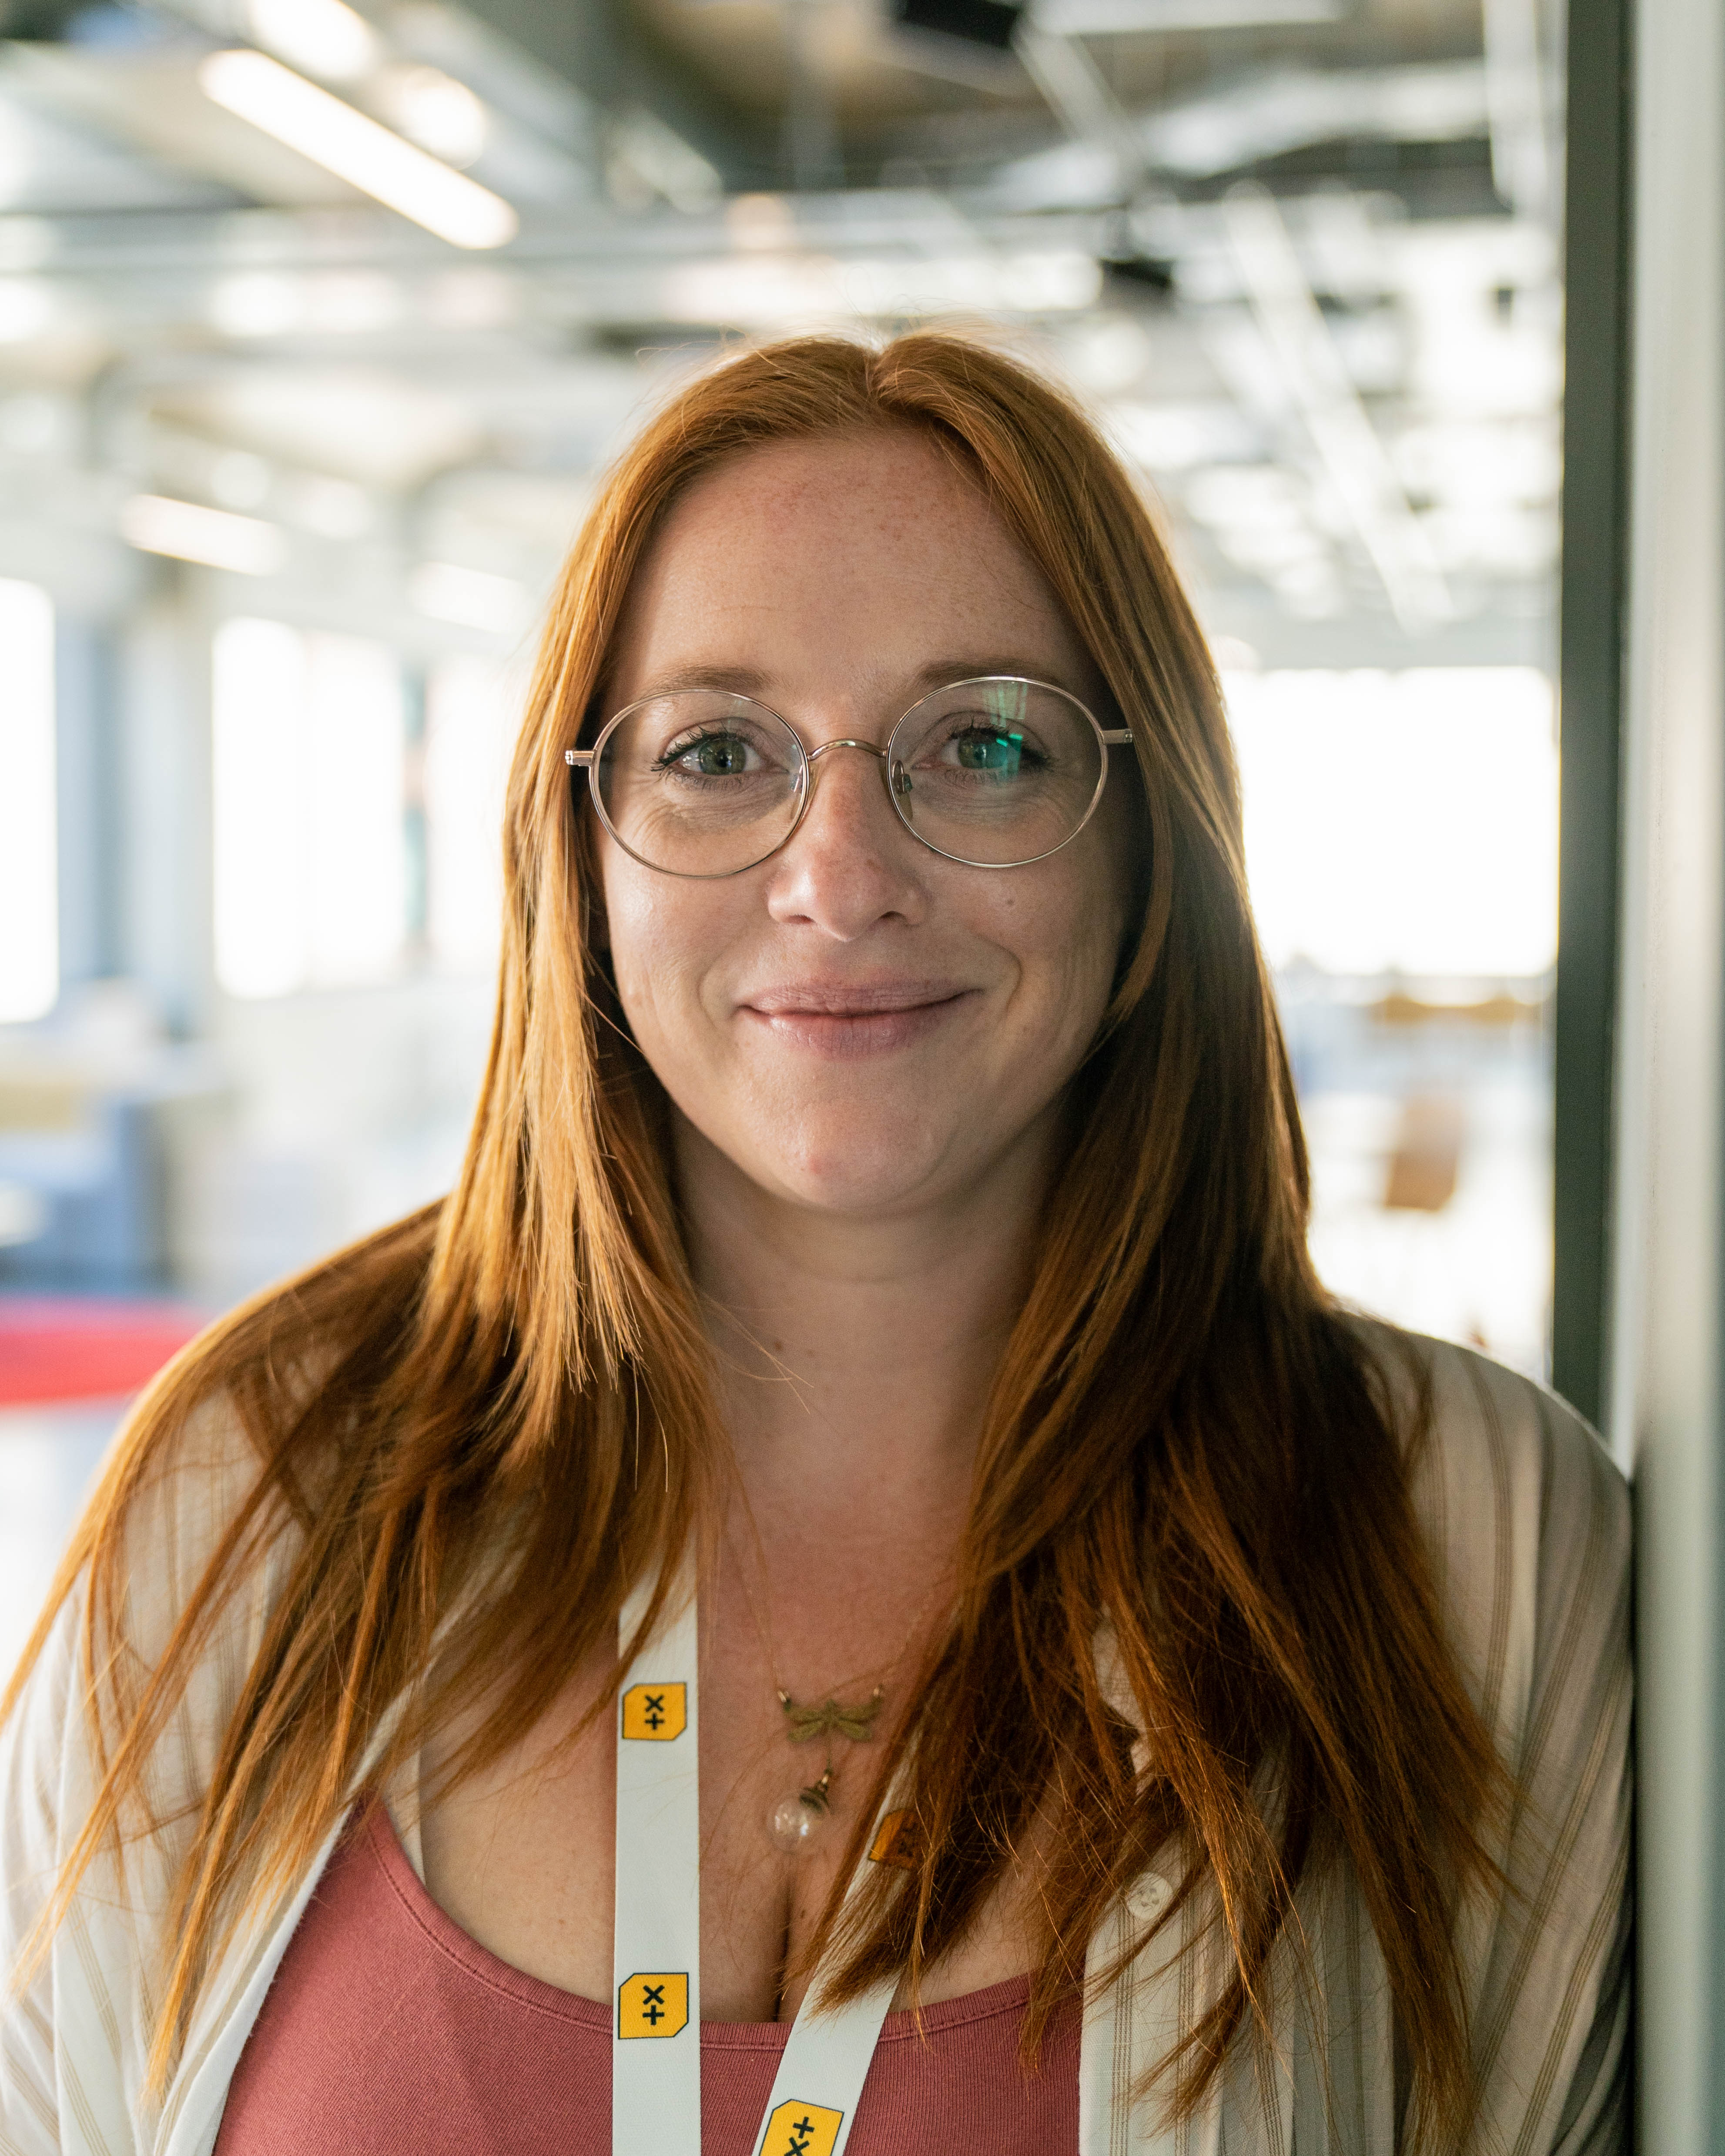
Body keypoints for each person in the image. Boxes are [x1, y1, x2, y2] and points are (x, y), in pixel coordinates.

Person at [0, 333, 1628, 2156]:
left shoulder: (1456, 1534)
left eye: (986, 743)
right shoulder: (255, 1492)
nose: (838, 877)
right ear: (581, 848)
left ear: (1151, 849)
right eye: (715, 751)